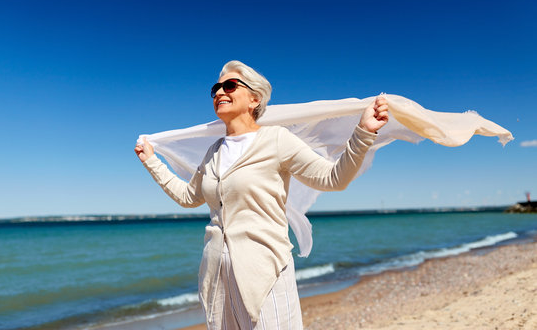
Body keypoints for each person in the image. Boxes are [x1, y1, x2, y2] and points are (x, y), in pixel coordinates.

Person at [134, 60, 389, 330]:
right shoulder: (214, 152)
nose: (220, 92)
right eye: (216, 88)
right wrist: (152, 162)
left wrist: (364, 132)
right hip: (217, 279)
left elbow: (333, 178)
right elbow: (188, 197)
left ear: (254, 99)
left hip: (265, 275)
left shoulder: (277, 140)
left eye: (229, 86)